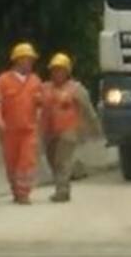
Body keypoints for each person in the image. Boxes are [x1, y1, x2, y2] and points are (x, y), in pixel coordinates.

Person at [41, 52, 101, 203]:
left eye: (60, 70)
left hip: (69, 131)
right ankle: (63, 185)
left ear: (67, 72)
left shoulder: (76, 89)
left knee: (63, 160)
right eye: (54, 70)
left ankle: (62, 191)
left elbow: (88, 110)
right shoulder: (45, 88)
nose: (57, 73)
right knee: (53, 160)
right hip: (49, 132)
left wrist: (96, 129)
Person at [0, 42, 43, 204]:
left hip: (29, 130)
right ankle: (15, 189)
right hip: (9, 131)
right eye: (27, 59)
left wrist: (40, 107)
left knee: (27, 162)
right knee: (11, 162)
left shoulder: (35, 80)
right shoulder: (3, 80)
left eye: (31, 60)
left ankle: (23, 193)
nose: (30, 63)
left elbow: (41, 104)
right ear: (18, 60)